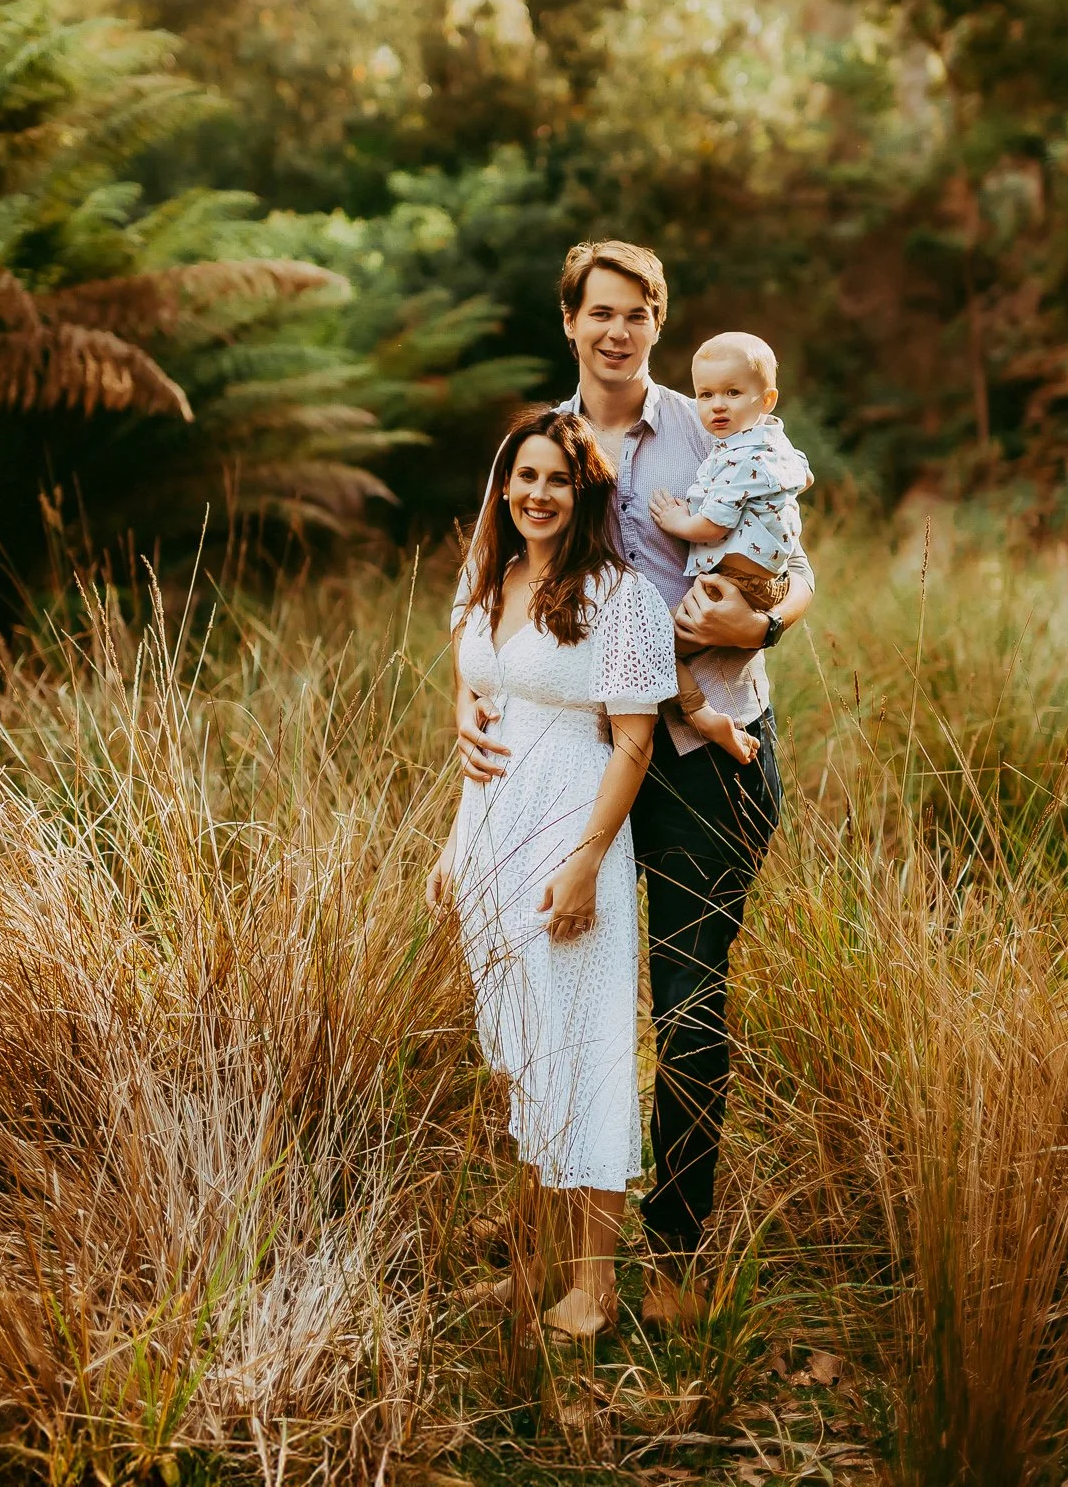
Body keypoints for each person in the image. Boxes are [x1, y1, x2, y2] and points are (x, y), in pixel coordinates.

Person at [455, 242, 814, 1327]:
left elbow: (795, 565)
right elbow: (486, 589)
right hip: (577, 766)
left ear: (659, 320)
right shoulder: (542, 445)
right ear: (568, 319)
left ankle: (674, 1247)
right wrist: (467, 708)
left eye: (638, 312)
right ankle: (553, 1228)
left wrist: (765, 619)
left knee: (689, 1002)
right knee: (562, 997)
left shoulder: (708, 427)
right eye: (598, 312)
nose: (618, 330)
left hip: (706, 758)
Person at [426, 406, 677, 1342]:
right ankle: (534, 1264)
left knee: (585, 1047)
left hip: (574, 832)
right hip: (491, 836)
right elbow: (479, 704)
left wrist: (585, 864)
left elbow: (634, 742)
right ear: (503, 485)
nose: (535, 494)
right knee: (529, 1055)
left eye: (555, 480)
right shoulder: (487, 577)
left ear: (584, 494)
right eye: (522, 476)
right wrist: (453, 843)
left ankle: (596, 1285)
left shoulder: (619, 596)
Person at [650, 331, 812, 765]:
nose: (717, 405)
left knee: (654, 645)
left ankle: (702, 714)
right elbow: (801, 480)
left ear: (767, 399)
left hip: (732, 587)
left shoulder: (740, 456)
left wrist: (676, 520)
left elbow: (712, 524)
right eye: (705, 394)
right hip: (757, 581)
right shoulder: (773, 444)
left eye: (732, 393)